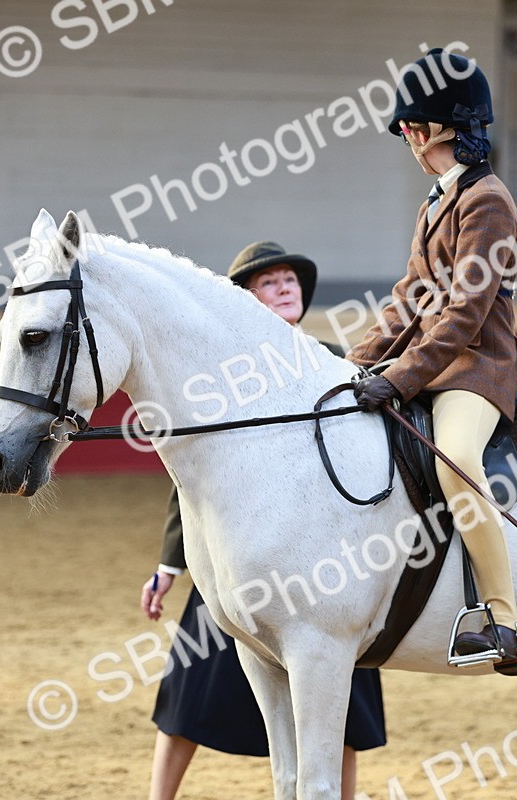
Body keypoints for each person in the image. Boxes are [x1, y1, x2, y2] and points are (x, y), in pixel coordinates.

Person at [140, 242, 386, 800]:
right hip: (232, 559)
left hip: (329, 565)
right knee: (189, 690)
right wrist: (168, 565)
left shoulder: (332, 362)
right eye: (269, 282)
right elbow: (190, 481)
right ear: (245, 302)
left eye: (289, 279)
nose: (285, 286)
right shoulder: (224, 379)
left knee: (347, 697)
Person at [345, 49, 517, 676]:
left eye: (413, 125)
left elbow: (464, 314)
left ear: (439, 128)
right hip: (432, 360)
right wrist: (354, 362)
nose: (407, 137)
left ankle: (503, 617)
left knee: (457, 459)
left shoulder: (487, 201)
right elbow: (408, 298)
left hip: (474, 368)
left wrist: (399, 376)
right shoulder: (436, 200)